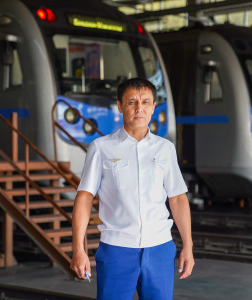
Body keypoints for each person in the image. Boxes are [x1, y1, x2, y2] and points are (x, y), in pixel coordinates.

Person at [70, 77, 194, 300]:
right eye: (131, 102)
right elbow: (85, 197)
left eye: (146, 102)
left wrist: (188, 246)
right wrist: (78, 248)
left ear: (154, 107)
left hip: (160, 249)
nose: (139, 108)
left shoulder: (165, 149)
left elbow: (177, 198)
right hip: (116, 250)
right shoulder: (101, 148)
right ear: (119, 105)